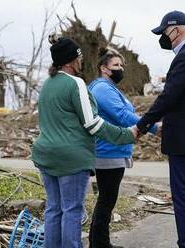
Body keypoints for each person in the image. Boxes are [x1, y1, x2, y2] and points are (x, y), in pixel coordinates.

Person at [31, 36, 137, 248]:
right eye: (79, 57)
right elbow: (93, 124)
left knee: (53, 208)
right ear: (70, 61)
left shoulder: (47, 85)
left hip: (45, 155)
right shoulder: (76, 83)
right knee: (72, 209)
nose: (81, 62)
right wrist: (127, 135)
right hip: (71, 158)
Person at [136, 11, 185, 248]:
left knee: (183, 196)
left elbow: (168, 97)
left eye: (164, 32)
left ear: (176, 29)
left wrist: (143, 124)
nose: (163, 37)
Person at [88, 47, 158, 248]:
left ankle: (99, 242)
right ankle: (100, 244)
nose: (120, 69)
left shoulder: (108, 88)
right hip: (108, 152)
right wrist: (153, 127)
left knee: (107, 199)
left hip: (113, 150)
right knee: (107, 200)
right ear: (104, 68)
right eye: (115, 65)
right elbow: (122, 115)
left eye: (121, 65)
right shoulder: (102, 88)